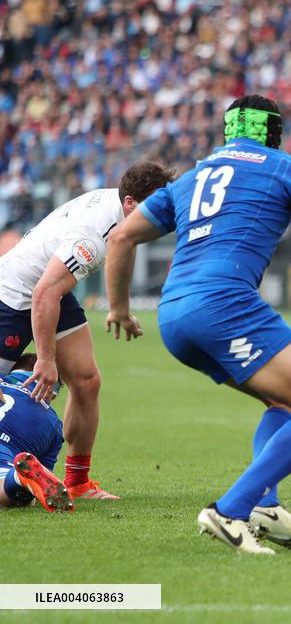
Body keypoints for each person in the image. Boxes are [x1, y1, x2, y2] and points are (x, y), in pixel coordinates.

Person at [105, 95, 291, 554]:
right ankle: (229, 509)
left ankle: (264, 508)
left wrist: (118, 308)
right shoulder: (283, 167)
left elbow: (121, 237)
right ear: (274, 132)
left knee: (285, 402)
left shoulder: (191, 178)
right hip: (224, 305)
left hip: (174, 315)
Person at [0, 161, 173, 501]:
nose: (165, 215)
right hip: (13, 295)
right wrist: (46, 360)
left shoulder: (123, 213)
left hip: (49, 288)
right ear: (131, 203)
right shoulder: (91, 238)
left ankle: (77, 482)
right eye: (159, 206)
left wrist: (120, 310)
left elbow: (123, 246)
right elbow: (44, 293)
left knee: (86, 380)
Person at [0, 359, 71, 513]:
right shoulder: (53, 423)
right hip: (7, 450)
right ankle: (18, 478)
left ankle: (17, 479)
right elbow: (45, 476)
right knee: (27, 495)